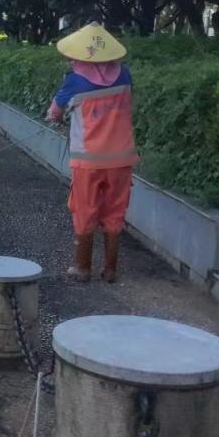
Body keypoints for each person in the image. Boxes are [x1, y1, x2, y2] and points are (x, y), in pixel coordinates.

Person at [44, 23, 138, 282]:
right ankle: (110, 269)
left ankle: (82, 267)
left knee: (84, 210)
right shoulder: (125, 75)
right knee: (115, 211)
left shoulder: (74, 81)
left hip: (88, 160)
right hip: (121, 158)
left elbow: (54, 112)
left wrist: (55, 117)